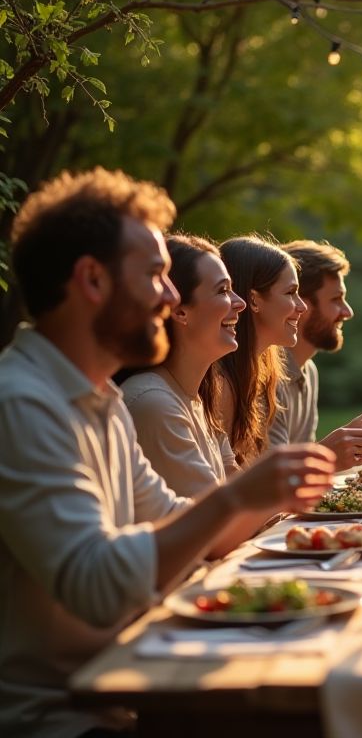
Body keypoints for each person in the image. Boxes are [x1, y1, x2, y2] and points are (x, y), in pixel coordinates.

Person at [0, 168, 335, 737]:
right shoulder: (22, 403)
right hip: (61, 718)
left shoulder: (101, 400)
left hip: (131, 685)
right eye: (154, 274)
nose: (171, 295)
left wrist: (248, 501)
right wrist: (234, 497)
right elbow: (97, 586)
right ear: (92, 280)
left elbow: (177, 523)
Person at [120, 235, 244, 496]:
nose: (239, 302)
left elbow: (237, 488)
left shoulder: (200, 398)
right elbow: (215, 511)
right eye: (222, 290)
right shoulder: (154, 403)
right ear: (179, 311)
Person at [270, 239, 362, 468]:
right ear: (300, 304)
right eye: (336, 299)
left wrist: (348, 441)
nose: (348, 311)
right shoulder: (266, 376)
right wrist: (328, 454)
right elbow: (274, 477)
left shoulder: (308, 370)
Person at [217, 235, 308, 467]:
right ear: (254, 300)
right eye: (290, 293)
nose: (302, 306)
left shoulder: (259, 376)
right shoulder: (218, 386)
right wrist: (329, 453)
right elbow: (234, 482)